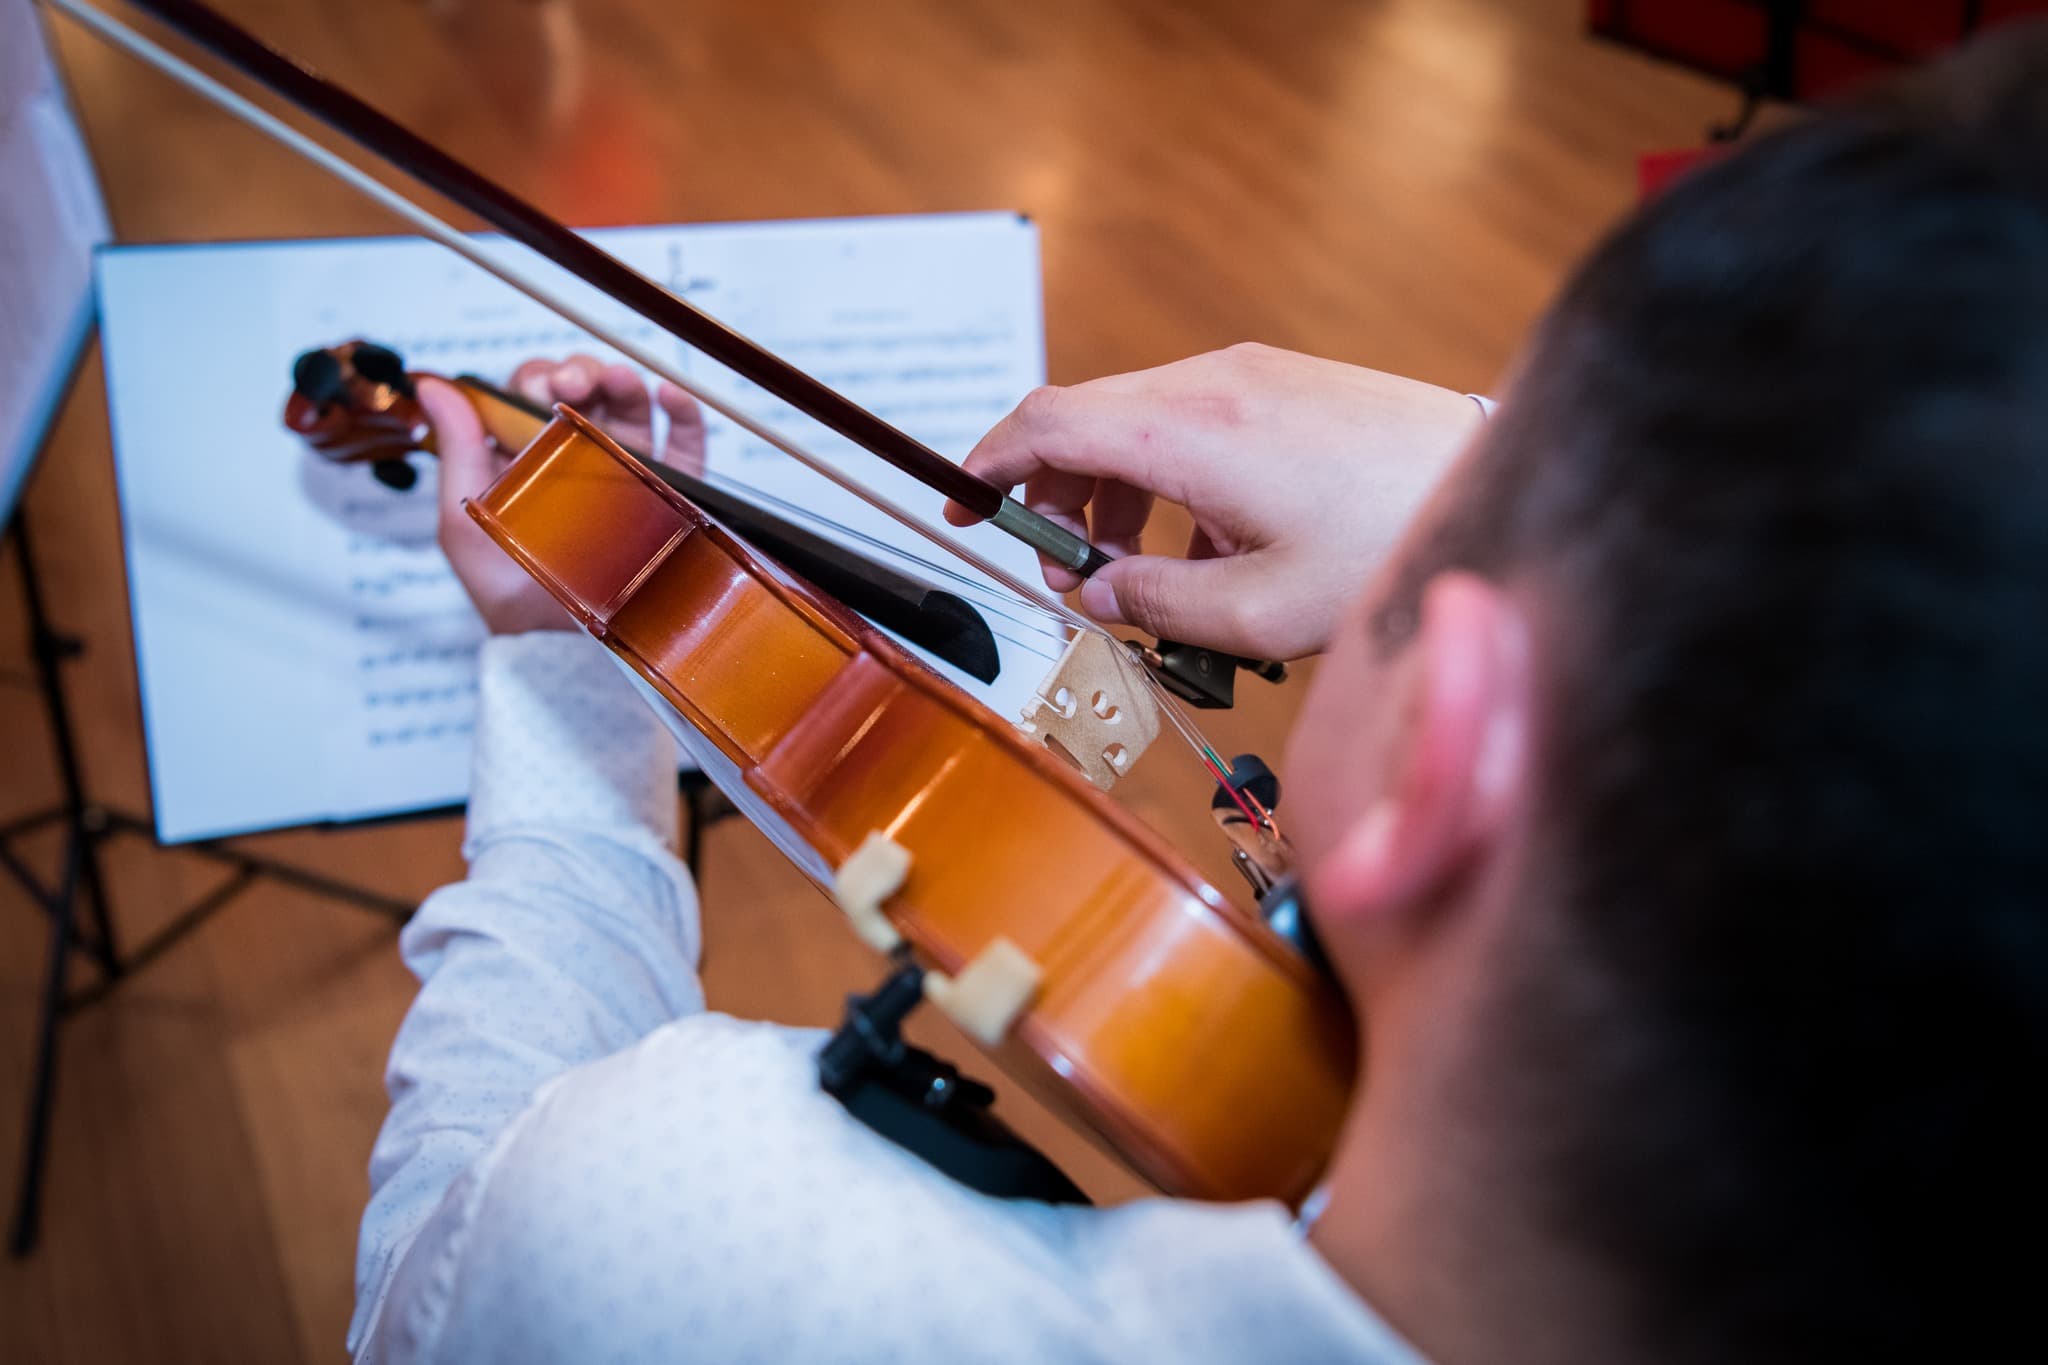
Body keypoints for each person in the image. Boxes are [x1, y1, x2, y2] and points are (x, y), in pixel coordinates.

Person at [350, 30, 2046, 1365]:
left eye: (1477, 494)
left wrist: (562, 658)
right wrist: (1493, 477)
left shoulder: (711, 1244)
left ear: (1447, 753)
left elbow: (440, 1262)